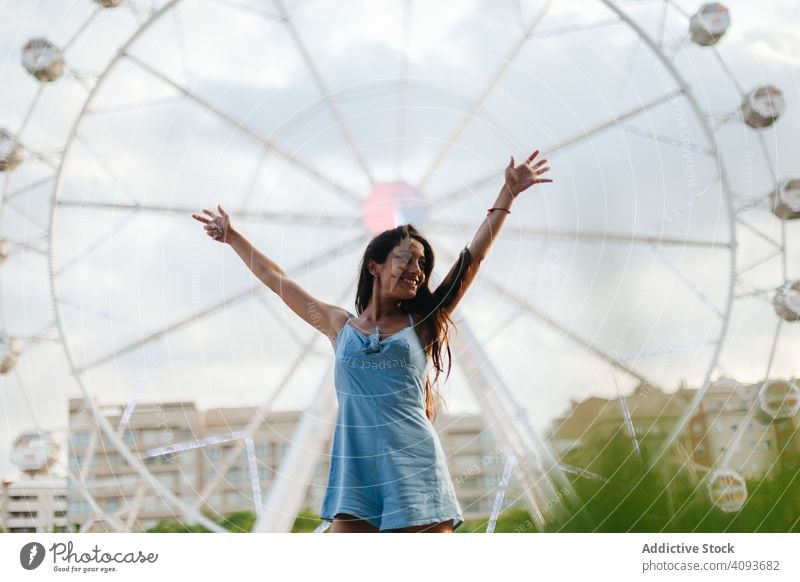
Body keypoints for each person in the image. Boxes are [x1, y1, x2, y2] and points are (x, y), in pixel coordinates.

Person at [192, 150, 552, 532]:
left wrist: (507, 195)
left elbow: (472, 259)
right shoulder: (337, 326)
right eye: (407, 259)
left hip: (415, 469)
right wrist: (232, 237)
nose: (417, 271)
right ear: (374, 266)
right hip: (355, 472)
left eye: (422, 264)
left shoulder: (424, 322)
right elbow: (276, 280)